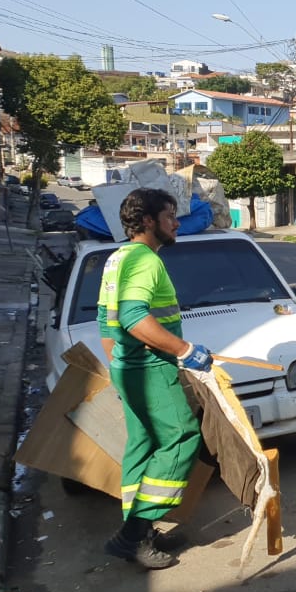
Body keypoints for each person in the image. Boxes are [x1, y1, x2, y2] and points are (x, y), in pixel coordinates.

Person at [97, 188, 213, 569]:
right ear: (148, 221)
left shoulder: (117, 258)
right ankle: (132, 536)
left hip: (130, 369)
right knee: (182, 437)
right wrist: (184, 350)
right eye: (169, 216)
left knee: (142, 446)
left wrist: (120, 366)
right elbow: (133, 318)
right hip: (150, 368)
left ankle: (140, 531)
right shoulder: (145, 260)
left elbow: (105, 322)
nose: (176, 223)